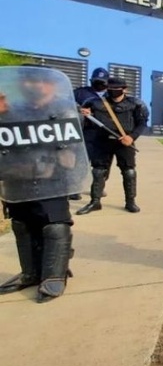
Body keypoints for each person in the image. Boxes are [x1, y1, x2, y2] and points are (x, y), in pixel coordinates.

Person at [0, 67, 88, 302]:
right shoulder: (11, 110)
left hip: (52, 180)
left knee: (55, 226)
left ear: (51, 85)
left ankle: (54, 275)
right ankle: (30, 273)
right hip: (17, 177)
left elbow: (72, 151)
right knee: (22, 224)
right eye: (28, 81)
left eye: (40, 81)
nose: (35, 85)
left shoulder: (64, 109)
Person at [76, 77, 150, 215]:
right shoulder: (94, 103)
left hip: (124, 141)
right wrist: (84, 114)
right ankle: (95, 201)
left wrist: (131, 137)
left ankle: (130, 201)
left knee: (129, 171)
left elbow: (142, 123)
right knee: (98, 171)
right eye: (110, 89)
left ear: (124, 89)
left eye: (116, 89)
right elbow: (83, 121)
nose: (113, 92)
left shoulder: (135, 104)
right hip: (102, 141)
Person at [72, 67, 110, 200]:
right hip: (86, 131)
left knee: (102, 163)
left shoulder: (111, 96)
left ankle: (99, 187)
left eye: (102, 82)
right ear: (91, 80)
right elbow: (66, 105)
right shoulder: (80, 93)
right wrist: (79, 110)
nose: (99, 84)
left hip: (104, 133)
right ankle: (75, 188)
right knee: (81, 160)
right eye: (97, 81)